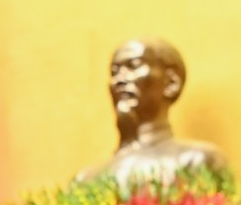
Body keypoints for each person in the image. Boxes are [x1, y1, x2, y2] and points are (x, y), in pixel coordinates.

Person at [82, 38, 228, 187]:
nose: (120, 79)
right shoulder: (86, 179)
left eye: (133, 66)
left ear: (171, 82)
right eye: (114, 72)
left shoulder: (196, 161)